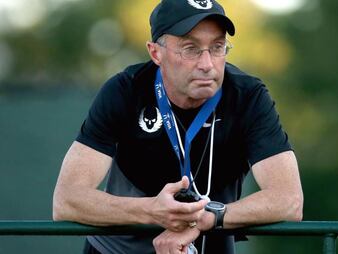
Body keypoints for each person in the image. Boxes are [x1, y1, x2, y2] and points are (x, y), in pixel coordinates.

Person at [53, 0, 304, 253]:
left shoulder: (248, 96)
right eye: (190, 49)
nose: (207, 64)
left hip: (207, 245)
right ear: (155, 53)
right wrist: (152, 211)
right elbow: (67, 200)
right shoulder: (124, 91)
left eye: (217, 47)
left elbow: (289, 200)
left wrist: (208, 217)